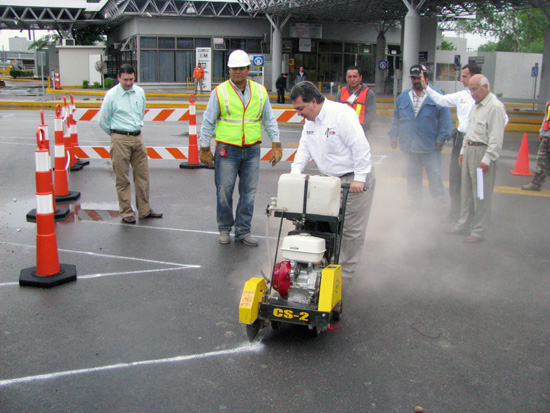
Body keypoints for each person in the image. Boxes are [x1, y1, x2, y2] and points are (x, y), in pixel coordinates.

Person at [289, 81, 376, 280]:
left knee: (351, 229)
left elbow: (360, 147)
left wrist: (360, 178)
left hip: (354, 177)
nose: (298, 113)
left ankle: (344, 275)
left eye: (300, 108)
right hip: (331, 180)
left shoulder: (341, 114)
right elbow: (304, 148)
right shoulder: (309, 122)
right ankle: (323, 261)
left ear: (313, 101)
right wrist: (294, 174)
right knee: (323, 221)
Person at [199, 49, 282, 246]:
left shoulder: (260, 91)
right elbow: (208, 122)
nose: (238, 72)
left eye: (242, 68)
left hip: (252, 150)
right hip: (227, 150)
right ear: (229, 70)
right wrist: (204, 148)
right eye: (234, 69)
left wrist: (276, 144)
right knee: (224, 192)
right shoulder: (219, 92)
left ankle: (243, 231)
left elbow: (269, 120)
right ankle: (225, 229)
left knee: (249, 193)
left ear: (248, 69)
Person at [98, 64, 163, 224]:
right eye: (125, 79)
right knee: (122, 178)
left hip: (137, 137)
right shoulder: (112, 95)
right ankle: (126, 212)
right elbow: (103, 121)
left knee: (143, 175)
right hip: (120, 138)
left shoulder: (139, 92)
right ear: (119, 77)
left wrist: (134, 131)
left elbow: (141, 112)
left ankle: (144, 210)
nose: (128, 83)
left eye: (131, 79)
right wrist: (116, 136)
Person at [449, 75, 507, 243]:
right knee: (465, 192)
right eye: (471, 90)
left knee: (481, 194)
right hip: (469, 151)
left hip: (482, 153)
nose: (472, 93)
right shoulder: (476, 106)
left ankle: (479, 230)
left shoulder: (495, 107)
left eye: (475, 89)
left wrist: (488, 158)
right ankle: (464, 224)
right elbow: (469, 130)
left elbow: (496, 137)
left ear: (486, 86)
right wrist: (462, 151)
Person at [421, 62, 482, 221]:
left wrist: (484, 134)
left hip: (478, 142)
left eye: (464, 76)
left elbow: (503, 120)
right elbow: (441, 100)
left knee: (475, 181)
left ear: (475, 77)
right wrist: (426, 87)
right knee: (456, 178)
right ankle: (456, 212)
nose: (461, 79)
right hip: (461, 140)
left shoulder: (487, 99)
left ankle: (475, 215)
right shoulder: (461, 95)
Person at [388, 64, 453, 205]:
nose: (416, 81)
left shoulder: (437, 95)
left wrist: (442, 138)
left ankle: (439, 204)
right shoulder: (403, 97)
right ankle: (414, 204)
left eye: (419, 78)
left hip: (431, 147)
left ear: (426, 77)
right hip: (409, 147)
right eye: (413, 78)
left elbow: (446, 120)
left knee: (435, 176)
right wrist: (394, 136)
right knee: (412, 177)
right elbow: (397, 118)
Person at [335, 66, 377, 133]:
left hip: (361, 132)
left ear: (360, 78)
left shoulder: (368, 93)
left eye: (355, 76)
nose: (352, 79)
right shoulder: (341, 93)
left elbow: (371, 113)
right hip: (344, 131)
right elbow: (335, 112)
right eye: (349, 77)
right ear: (346, 78)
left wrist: (361, 128)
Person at [521, 96, 550, 191]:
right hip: (547, 136)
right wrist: (542, 132)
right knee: (541, 161)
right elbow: (547, 117)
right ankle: (536, 183)